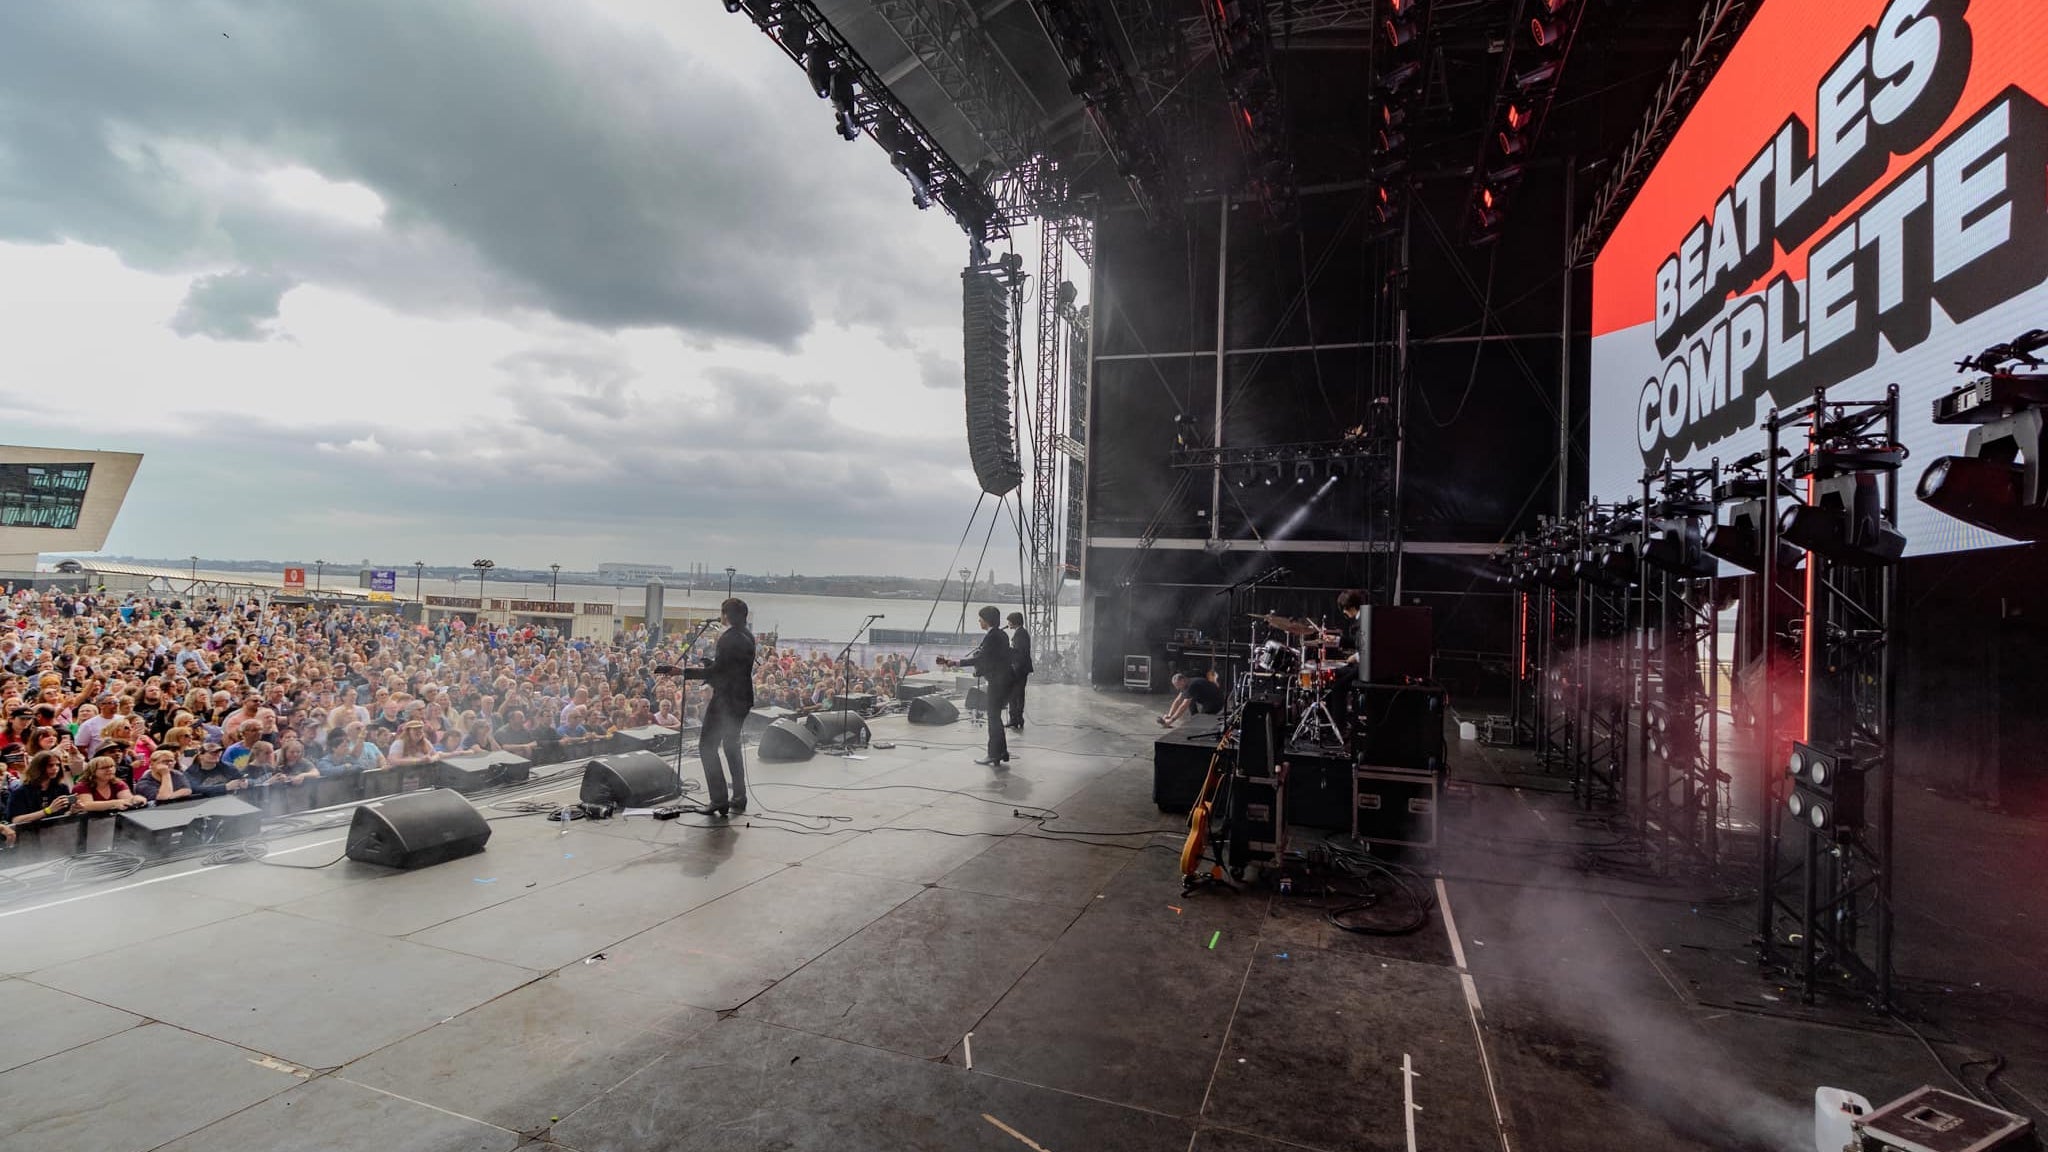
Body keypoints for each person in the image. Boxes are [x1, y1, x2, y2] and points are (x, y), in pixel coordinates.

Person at [674, 598, 755, 817]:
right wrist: (713, 666)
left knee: (707, 747)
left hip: (726, 701)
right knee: (731, 745)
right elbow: (730, 668)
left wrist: (685, 673)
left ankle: (719, 799)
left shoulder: (728, 638)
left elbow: (720, 674)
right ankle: (739, 796)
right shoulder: (748, 635)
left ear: (726, 615)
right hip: (743, 699)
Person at [939, 607, 1011, 767]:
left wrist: (956, 662)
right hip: (1004, 681)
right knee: (996, 718)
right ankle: (1002, 752)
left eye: (980, 619)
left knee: (993, 719)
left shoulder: (992, 637)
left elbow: (982, 659)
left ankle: (993, 755)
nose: (979, 621)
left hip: (997, 682)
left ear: (986, 620)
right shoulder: (1002, 635)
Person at [1158, 671, 1227, 728]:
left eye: (1178, 685)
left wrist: (1171, 721)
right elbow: (1177, 700)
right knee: (1190, 700)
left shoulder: (1191, 686)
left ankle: (1220, 721)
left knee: (1203, 720)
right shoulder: (1185, 684)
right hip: (1208, 700)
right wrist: (1169, 715)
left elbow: (1183, 706)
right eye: (1176, 686)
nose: (1177, 688)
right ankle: (1195, 719)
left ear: (1182, 680)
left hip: (1216, 701)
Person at [1004, 611, 1032, 732]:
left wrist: (1014, 667)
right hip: (1021, 668)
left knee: (1014, 694)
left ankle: (1015, 719)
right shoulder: (1021, 633)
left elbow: (1019, 653)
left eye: (1009, 621)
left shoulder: (1020, 634)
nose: (1008, 623)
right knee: (1018, 695)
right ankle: (1017, 719)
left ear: (1014, 622)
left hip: (1019, 669)